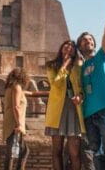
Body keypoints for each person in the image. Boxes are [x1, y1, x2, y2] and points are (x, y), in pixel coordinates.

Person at [77, 2, 105, 170]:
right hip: (89, 114)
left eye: (90, 39)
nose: (88, 41)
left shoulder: (102, 56)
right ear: (80, 46)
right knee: (94, 153)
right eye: (84, 40)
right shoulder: (80, 68)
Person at [44, 40, 85, 170]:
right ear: (61, 48)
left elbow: (82, 86)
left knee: (75, 152)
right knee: (57, 151)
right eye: (66, 45)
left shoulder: (78, 67)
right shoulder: (51, 66)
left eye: (72, 46)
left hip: (74, 109)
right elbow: (55, 84)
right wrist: (65, 63)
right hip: (57, 110)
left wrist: (81, 95)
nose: (69, 47)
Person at [2, 67, 30, 170]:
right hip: (15, 123)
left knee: (13, 152)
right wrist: (20, 125)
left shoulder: (11, 87)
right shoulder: (17, 87)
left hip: (10, 122)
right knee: (20, 152)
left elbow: (27, 93)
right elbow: (16, 107)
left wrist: (47, 93)